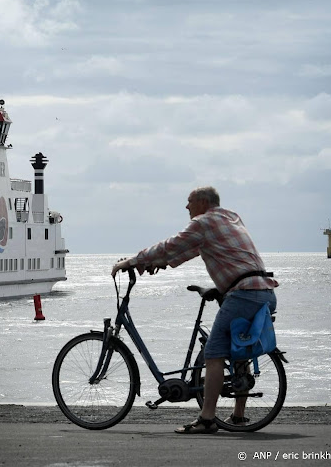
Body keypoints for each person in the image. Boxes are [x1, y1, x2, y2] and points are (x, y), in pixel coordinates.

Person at [110, 186, 278, 435]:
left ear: (202, 202)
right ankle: (239, 415)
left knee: (214, 353)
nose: (186, 207)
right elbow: (190, 249)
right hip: (263, 291)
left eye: (189, 202)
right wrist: (160, 263)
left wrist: (134, 261)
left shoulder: (203, 221)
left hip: (244, 294)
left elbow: (173, 244)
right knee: (238, 349)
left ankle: (207, 419)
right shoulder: (229, 216)